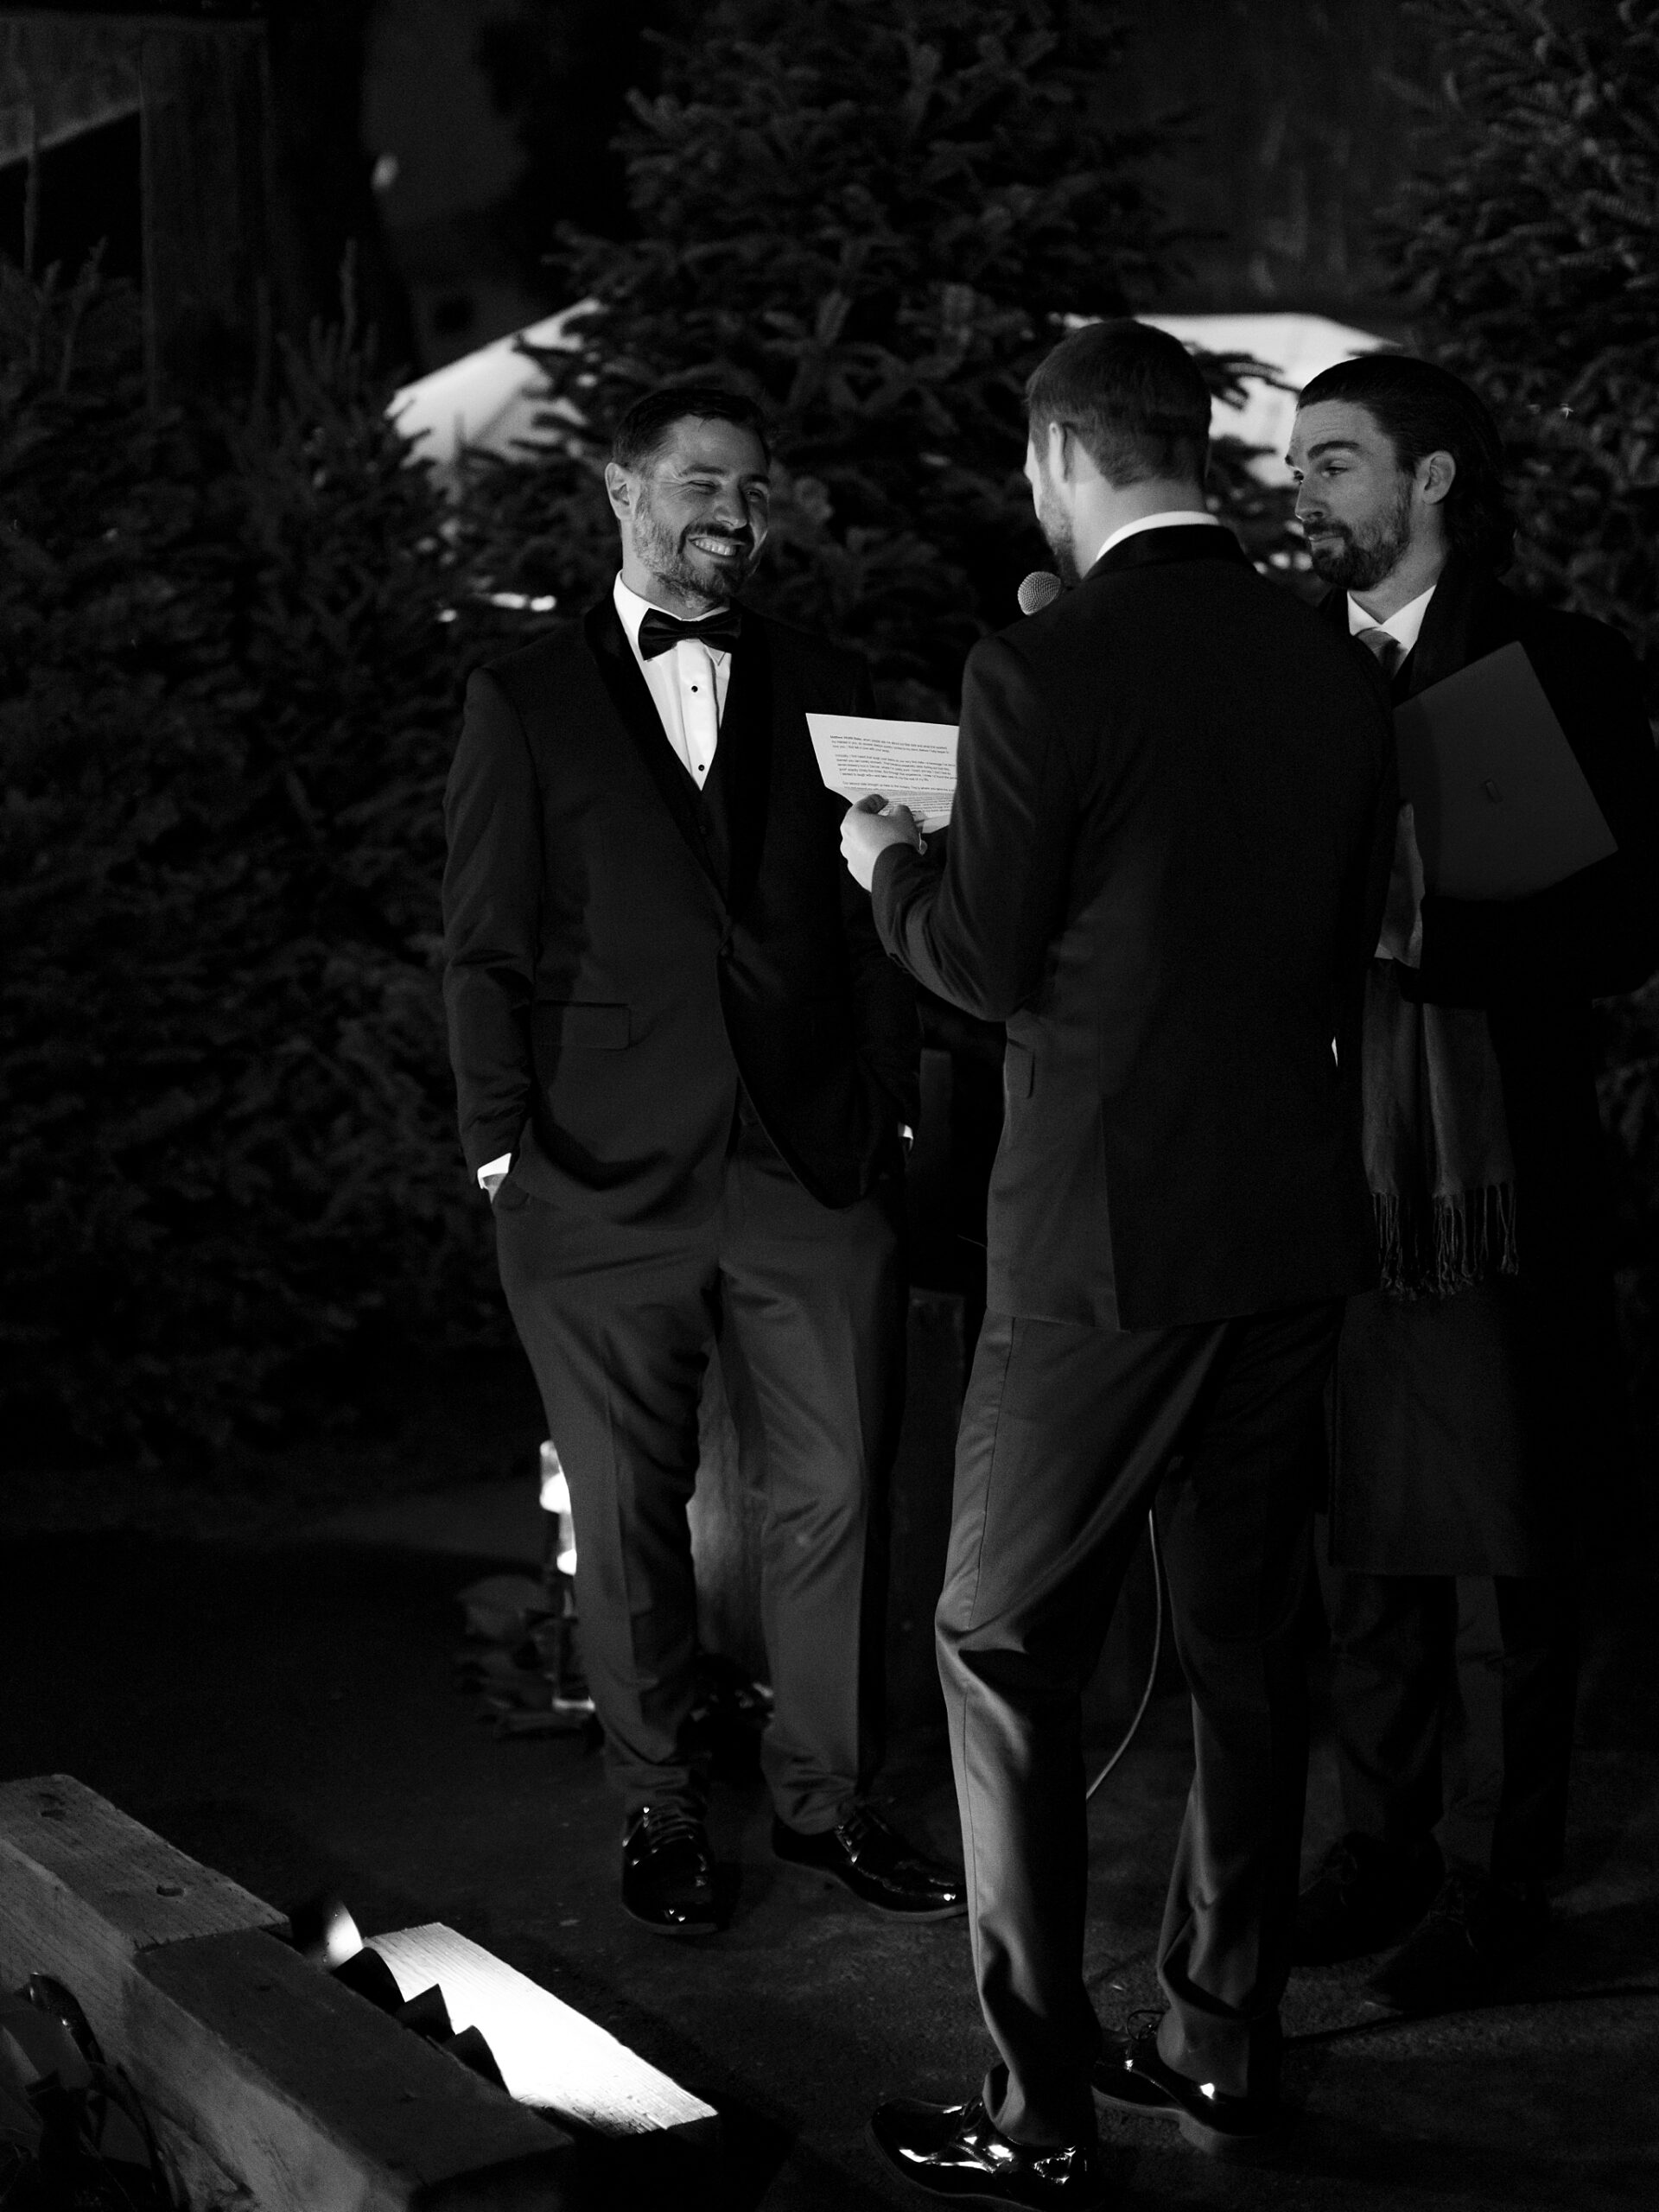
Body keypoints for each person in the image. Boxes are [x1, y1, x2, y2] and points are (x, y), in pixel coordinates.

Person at [842, 321, 1395, 2209]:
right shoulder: (1327, 660)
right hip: (1286, 1215)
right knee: (1246, 1641)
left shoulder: (1035, 668)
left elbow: (987, 961)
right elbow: (1330, 948)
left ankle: (1035, 2096)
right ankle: (1221, 2040)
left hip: (1100, 1238)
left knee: (997, 1639)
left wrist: (884, 867)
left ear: (1062, 456)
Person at [442, 385, 964, 1936]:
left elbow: (885, 913)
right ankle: (660, 1805)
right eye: (701, 484)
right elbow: (484, 944)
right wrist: (496, 1155)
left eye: (753, 493)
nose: (732, 516)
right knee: (623, 1512)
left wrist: (894, 1110)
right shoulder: (522, 695)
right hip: (594, 1176)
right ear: (622, 489)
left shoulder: (830, 679)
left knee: (838, 1497)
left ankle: (825, 1801)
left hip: (811, 1165)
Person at [1285, 354, 1659, 2012]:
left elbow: (1622, 928)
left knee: (1514, 1538)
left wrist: (1423, 940)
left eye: (1339, 462)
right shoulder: (1287, 674)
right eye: (1299, 465)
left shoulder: (1558, 663)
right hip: (1333, 1166)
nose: (1307, 495)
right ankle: (1377, 1846)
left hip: (1505, 1167)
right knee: (1367, 1534)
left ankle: (1503, 1878)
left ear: (1432, 481)